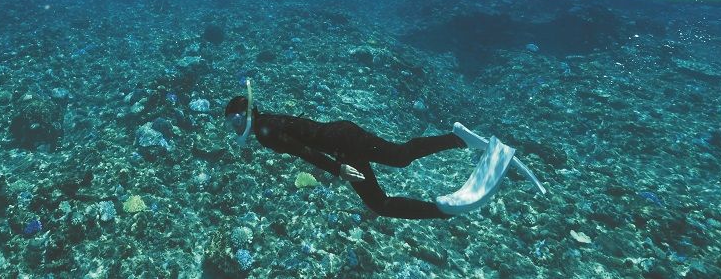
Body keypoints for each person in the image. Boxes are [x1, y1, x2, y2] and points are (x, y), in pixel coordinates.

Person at [224, 83, 538, 220]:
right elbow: (304, 142)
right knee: (392, 175)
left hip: (342, 145)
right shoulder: (266, 122)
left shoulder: (264, 133)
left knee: (387, 187)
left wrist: (337, 169)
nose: (235, 127)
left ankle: (451, 163)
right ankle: (456, 142)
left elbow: (303, 150)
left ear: (248, 113)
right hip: (341, 138)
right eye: (232, 124)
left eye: (236, 120)